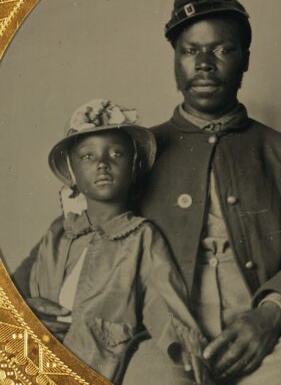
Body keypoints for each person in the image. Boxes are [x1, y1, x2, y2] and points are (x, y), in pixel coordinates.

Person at [113, 0, 281, 384]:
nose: (203, 64)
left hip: (267, 338)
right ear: (175, 60)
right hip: (163, 339)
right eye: (189, 50)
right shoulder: (136, 151)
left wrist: (270, 316)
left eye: (221, 50)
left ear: (245, 60)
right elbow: (94, 233)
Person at [25, 99, 207, 382]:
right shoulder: (59, 234)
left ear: (133, 168)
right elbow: (28, 292)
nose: (102, 164)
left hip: (101, 361)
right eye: (88, 156)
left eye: (116, 154)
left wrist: (184, 343)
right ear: (72, 173)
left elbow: (163, 300)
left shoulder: (141, 236)